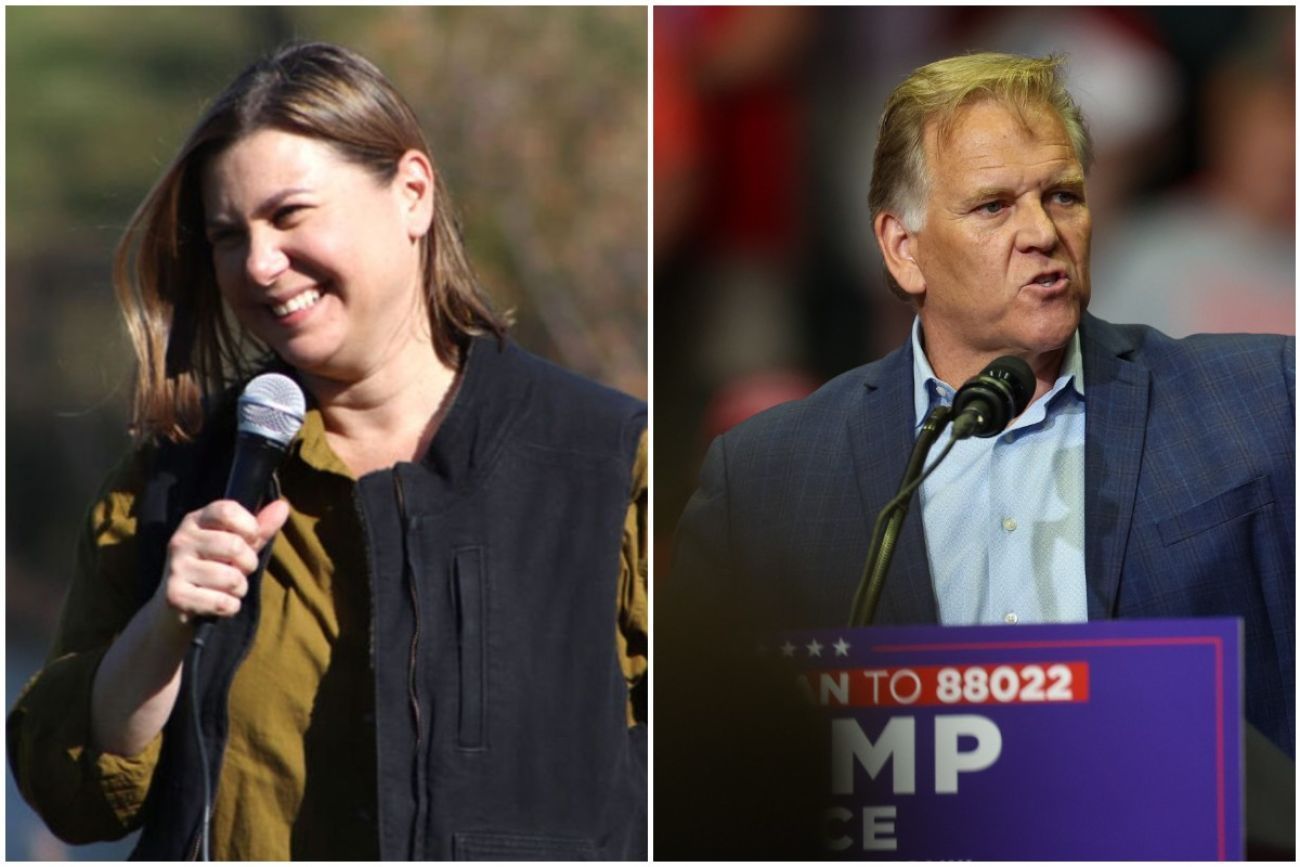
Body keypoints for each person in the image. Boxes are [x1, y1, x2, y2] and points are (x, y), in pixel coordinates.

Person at [8, 42, 647, 860]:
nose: (260, 265)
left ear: (411, 193)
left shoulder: (609, 466)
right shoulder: (168, 489)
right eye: (228, 235)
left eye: (290, 215)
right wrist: (163, 625)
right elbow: (73, 797)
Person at [670, 52, 1294, 760]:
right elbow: (703, 755)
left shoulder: (1264, 401)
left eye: (1063, 195)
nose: (1043, 233)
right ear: (903, 250)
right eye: (994, 205)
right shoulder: (766, 479)